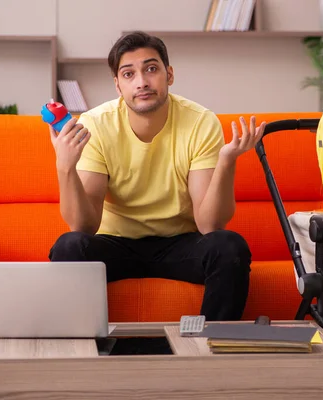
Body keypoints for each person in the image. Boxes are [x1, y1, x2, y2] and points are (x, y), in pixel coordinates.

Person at [47, 31, 266, 321]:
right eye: (128, 74)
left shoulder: (200, 122)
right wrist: (65, 166)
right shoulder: (95, 125)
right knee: (68, 246)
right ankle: (85, 353)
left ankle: (212, 353)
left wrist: (226, 161)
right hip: (116, 244)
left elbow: (210, 223)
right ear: (117, 85)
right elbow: (83, 226)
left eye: (151, 69)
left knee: (228, 245)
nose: (142, 82)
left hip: (180, 244)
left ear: (169, 74)